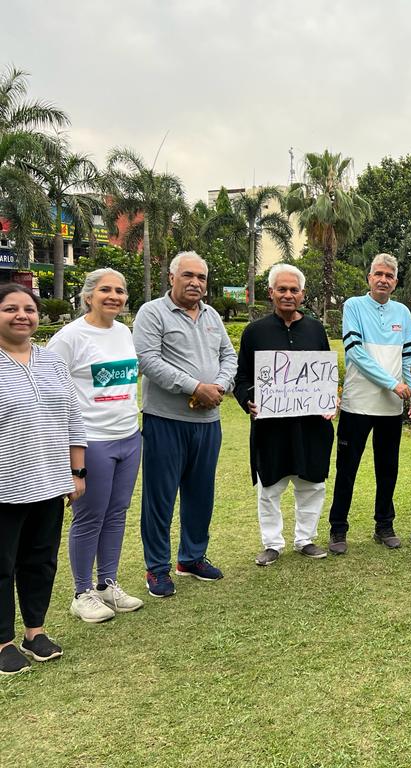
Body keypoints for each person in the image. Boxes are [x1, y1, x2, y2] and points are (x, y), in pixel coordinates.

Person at [133, 252, 238, 598]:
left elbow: (229, 356)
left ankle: (191, 557)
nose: (196, 283)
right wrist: (195, 387)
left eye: (202, 277)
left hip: (208, 421)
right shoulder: (153, 313)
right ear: (171, 277)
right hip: (166, 420)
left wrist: (220, 386)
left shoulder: (212, 316)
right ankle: (158, 568)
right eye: (188, 275)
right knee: (160, 497)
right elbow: (148, 360)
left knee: (201, 492)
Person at [48, 269, 144, 623]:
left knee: (116, 514)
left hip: (129, 437)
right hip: (92, 441)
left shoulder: (123, 332)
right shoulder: (69, 337)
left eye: (120, 290)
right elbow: (51, 392)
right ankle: (81, 592)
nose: (114, 296)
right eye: (105, 290)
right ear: (88, 296)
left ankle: (107, 584)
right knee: (89, 516)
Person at [0, 284, 86, 675]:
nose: (22, 315)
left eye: (29, 309)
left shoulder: (51, 362)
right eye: (10, 309)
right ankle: (3, 640)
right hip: (5, 485)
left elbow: (73, 417)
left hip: (49, 481)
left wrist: (76, 471)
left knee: (40, 561)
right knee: (2, 564)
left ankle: (35, 631)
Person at [234, 264, 335, 566]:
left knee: (312, 485)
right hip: (272, 427)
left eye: (294, 290)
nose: (288, 295)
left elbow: (324, 376)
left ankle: (306, 538)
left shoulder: (316, 329)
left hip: (311, 425)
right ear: (271, 293)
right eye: (282, 289)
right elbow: (240, 380)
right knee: (270, 487)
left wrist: (331, 399)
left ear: (302, 294)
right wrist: (248, 400)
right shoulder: (255, 332)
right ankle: (272, 543)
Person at [327, 253, 411, 553]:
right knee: (347, 468)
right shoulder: (353, 306)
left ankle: (384, 525)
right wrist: (393, 384)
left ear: (395, 282)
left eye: (389, 276)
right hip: (357, 403)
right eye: (378, 274)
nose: (383, 280)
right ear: (369, 277)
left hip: (391, 407)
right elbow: (356, 353)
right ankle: (338, 529)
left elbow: (408, 357)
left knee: (388, 468)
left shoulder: (403, 313)